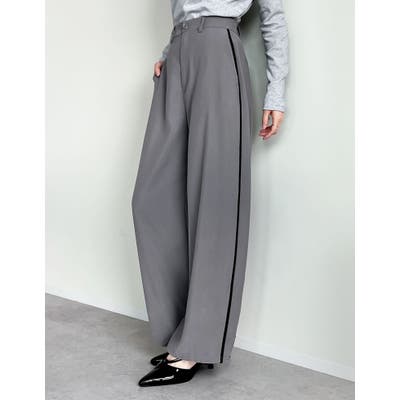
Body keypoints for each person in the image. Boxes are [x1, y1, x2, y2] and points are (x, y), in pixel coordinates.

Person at [132, 0, 288, 387]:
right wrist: (171, 52)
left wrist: (276, 95)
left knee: (214, 204)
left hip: (219, 54)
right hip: (179, 53)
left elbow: (273, 16)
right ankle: (182, 333)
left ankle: (195, 345)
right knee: (150, 200)